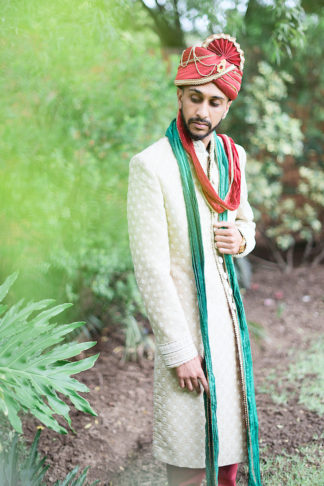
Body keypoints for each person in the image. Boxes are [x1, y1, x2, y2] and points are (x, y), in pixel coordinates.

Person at [127, 33, 262, 486]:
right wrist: (179, 351)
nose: (203, 112)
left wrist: (239, 239)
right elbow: (151, 268)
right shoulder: (151, 165)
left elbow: (247, 222)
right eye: (195, 98)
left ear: (227, 108)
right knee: (187, 450)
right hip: (184, 330)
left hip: (228, 328)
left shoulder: (233, 157)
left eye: (215, 102)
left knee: (228, 443)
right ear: (181, 96)